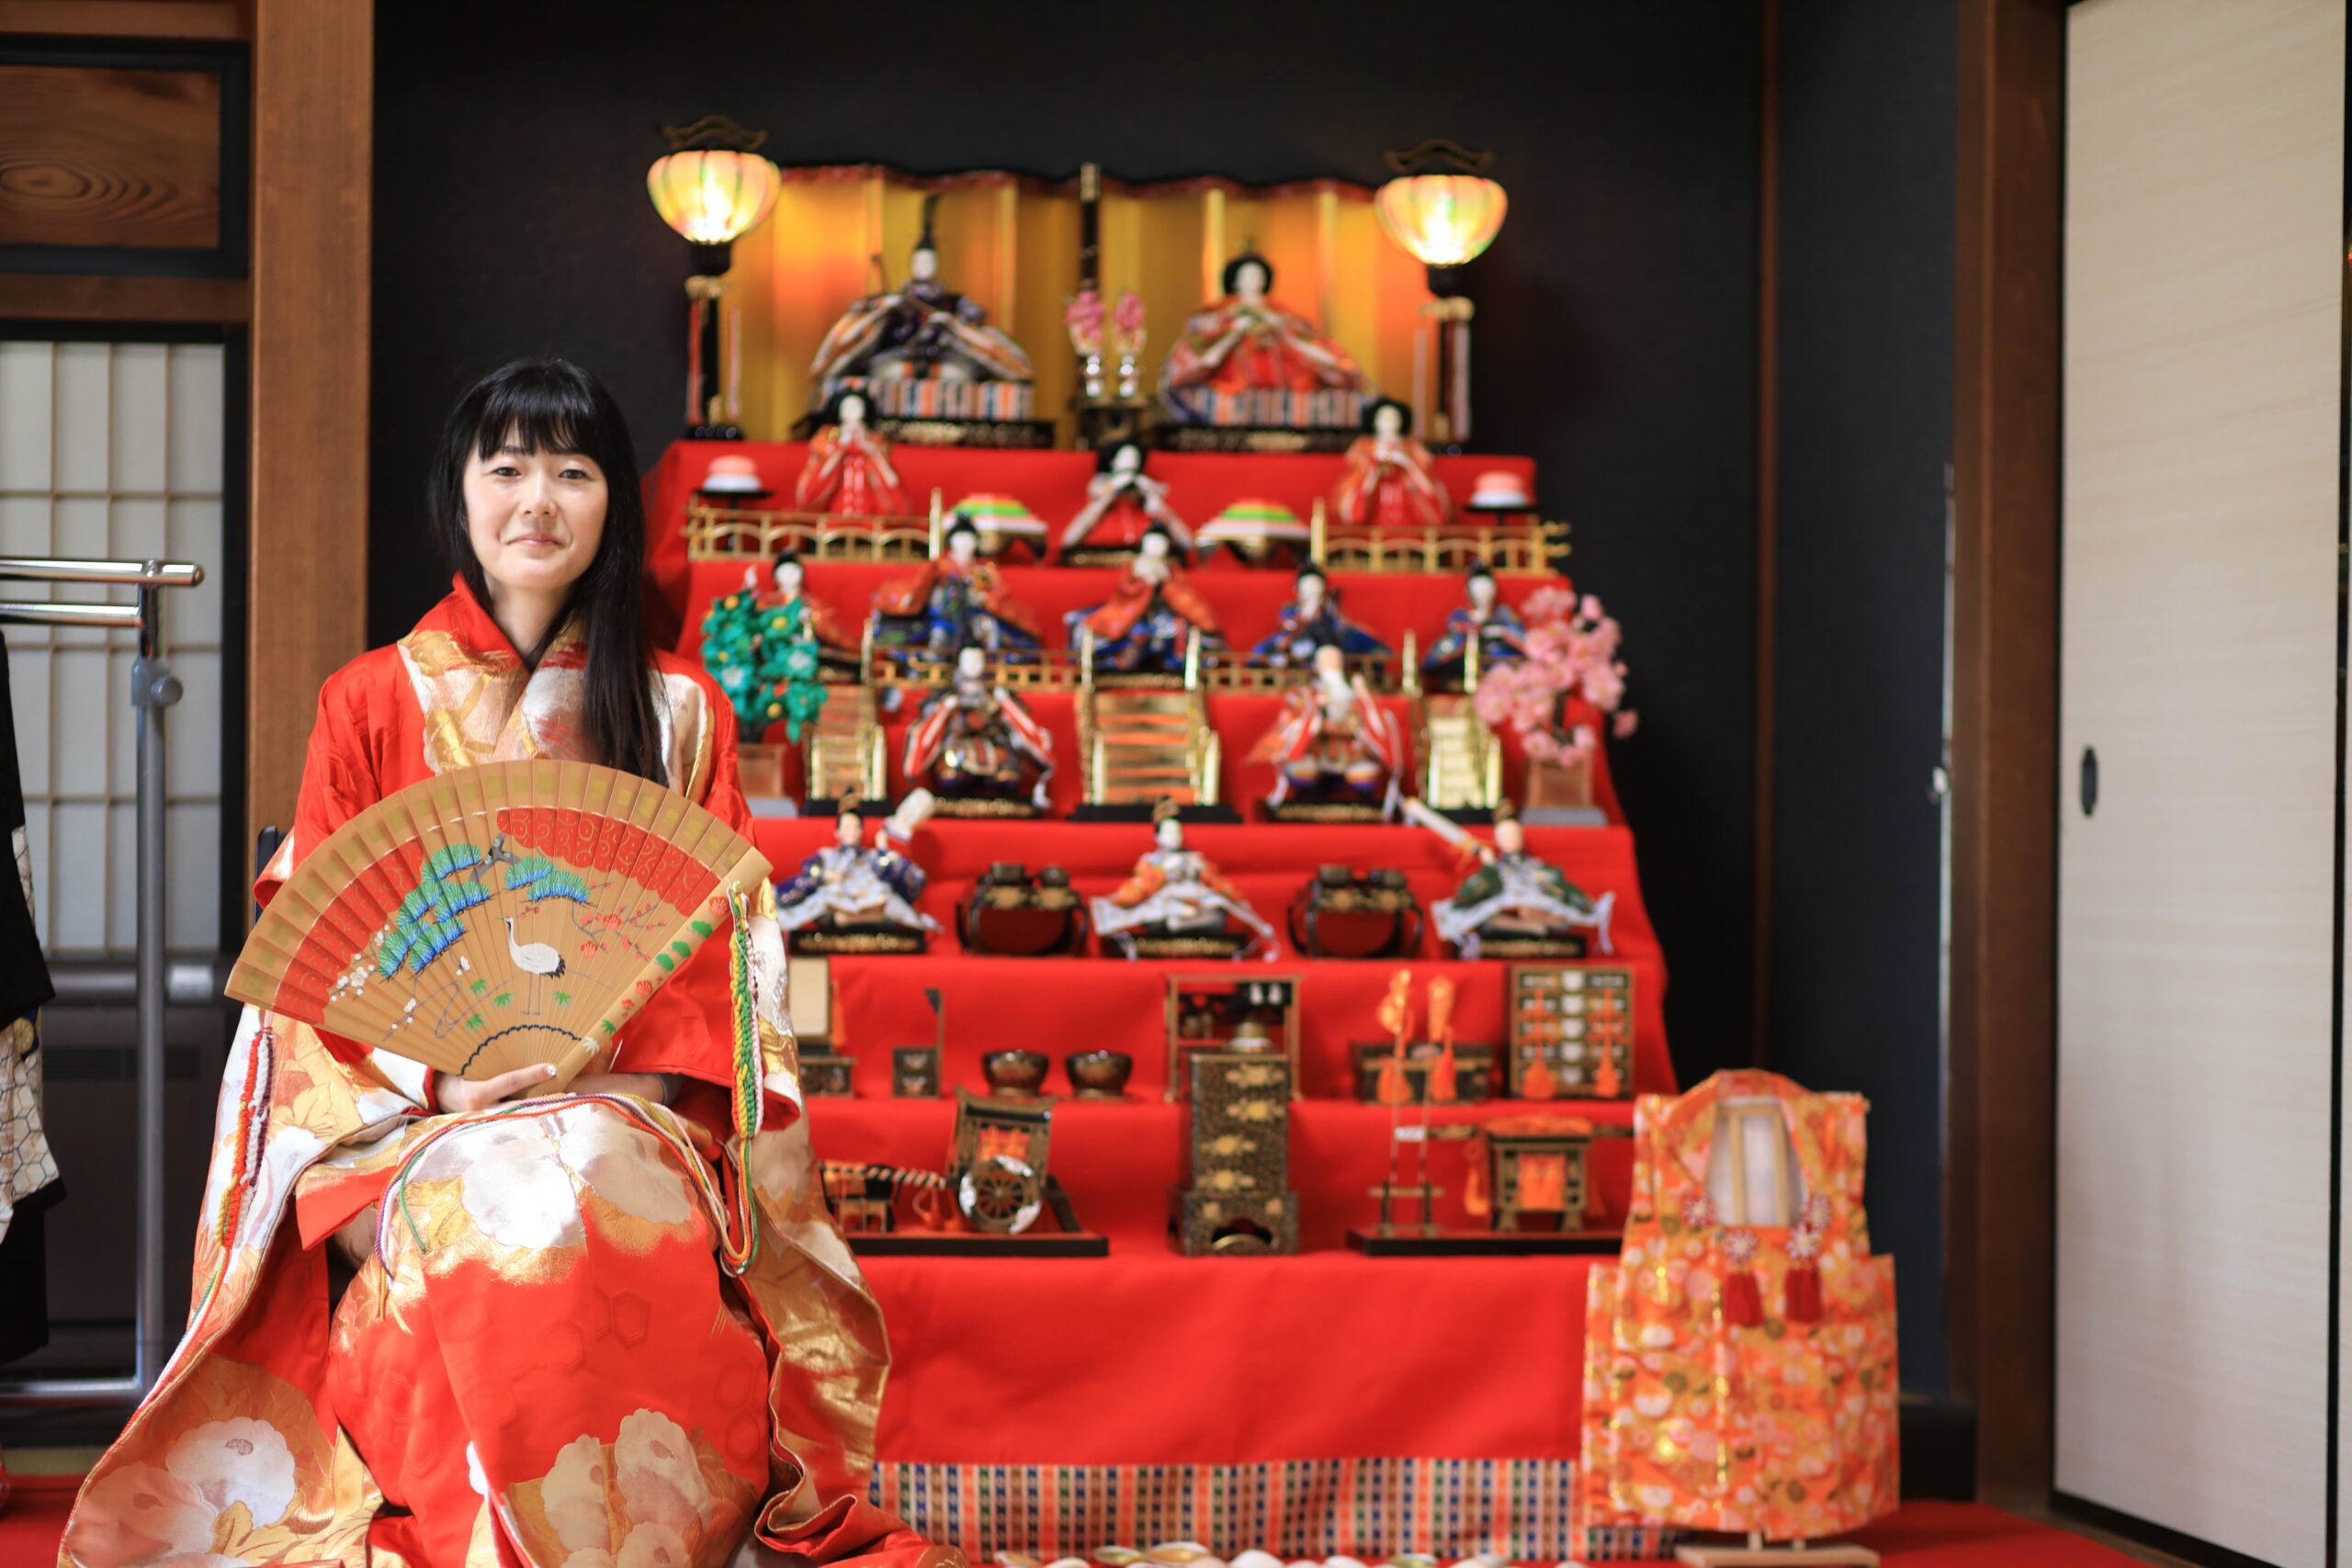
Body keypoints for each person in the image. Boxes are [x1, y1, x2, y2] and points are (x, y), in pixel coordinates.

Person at [59, 360, 954, 1568]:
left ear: (610, 509)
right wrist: (447, 1086)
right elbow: (316, 973)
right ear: (461, 495)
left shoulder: (679, 711)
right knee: (489, 1209)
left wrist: (610, 1090)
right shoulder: (369, 701)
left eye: (574, 471)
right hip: (406, 1117)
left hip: (633, 1108)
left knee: (582, 1172)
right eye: (509, 466)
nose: (540, 496)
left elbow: (723, 957)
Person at [1159, 250, 1374, 412]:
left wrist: (1281, 331)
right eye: (1248, 275)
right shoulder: (1217, 315)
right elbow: (1204, 347)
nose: (1254, 280)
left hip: (1287, 373)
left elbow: (1305, 339)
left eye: (1258, 274)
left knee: (1327, 360)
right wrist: (1236, 330)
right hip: (1231, 376)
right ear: (1235, 280)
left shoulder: (1281, 314)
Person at [1091, 798, 1276, 960]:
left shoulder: (1195, 858)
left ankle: (1180, 924)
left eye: (1178, 832)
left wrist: (1200, 872)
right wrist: (1162, 873)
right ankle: (1174, 922)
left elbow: (1219, 885)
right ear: (1158, 836)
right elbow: (1136, 889)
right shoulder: (1152, 861)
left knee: (1218, 915)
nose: (1175, 837)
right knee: (1152, 916)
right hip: (1164, 902)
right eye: (1169, 832)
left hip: (1195, 902)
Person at [1432, 801, 1616, 958]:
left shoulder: (1536, 867)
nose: (1511, 839)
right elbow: (1466, 895)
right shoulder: (1495, 868)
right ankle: (1534, 928)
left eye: (1514, 835)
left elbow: (1562, 888)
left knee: (1555, 915)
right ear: (1497, 839)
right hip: (1506, 910)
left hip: (1535, 907)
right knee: (1491, 918)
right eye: (1505, 835)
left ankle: (1540, 925)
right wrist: (1488, 868)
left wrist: (1583, 902)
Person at [1247, 643, 1407, 817]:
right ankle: (1305, 802)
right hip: (1316, 751)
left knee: (1365, 773)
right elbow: (1295, 723)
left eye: (1335, 661)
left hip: (1350, 753)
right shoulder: (1307, 693)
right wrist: (1315, 713)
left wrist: (1363, 697)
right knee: (1300, 769)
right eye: (1327, 661)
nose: (1332, 665)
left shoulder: (1353, 693)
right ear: (1317, 665)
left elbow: (1373, 723)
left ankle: (1361, 806)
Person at [870, 513, 1045, 660]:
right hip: (942, 615)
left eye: (969, 538)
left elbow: (999, 594)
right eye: (960, 537)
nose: (965, 543)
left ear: (976, 542)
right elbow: (920, 587)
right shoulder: (939, 567)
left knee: (990, 629)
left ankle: (991, 660)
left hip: (973, 614)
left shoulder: (984, 570)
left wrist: (984, 598)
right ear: (951, 541)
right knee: (936, 632)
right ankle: (934, 658)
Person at [901, 647, 1056, 810]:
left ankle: (1002, 795)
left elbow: (1019, 726)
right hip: (959, 744)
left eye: (977, 660)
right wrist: (947, 708)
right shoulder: (948, 696)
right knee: (951, 769)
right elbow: (930, 729)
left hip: (992, 744)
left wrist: (1002, 704)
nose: (973, 665)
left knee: (1007, 768)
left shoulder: (995, 695)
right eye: (968, 660)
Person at [1069, 523, 1223, 675]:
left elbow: (1184, 595)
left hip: (1162, 613)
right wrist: (1144, 584)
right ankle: (1117, 663)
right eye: (1152, 542)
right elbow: (1125, 591)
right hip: (1134, 616)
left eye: (1161, 542)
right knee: (1133, 633)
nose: (1156, 547)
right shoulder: (1134, 567)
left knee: (1178, 629)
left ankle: (1176, 665)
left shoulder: (1170, 569)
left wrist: (1166, 584)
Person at [1333, 398, 1454, 530]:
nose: (1390, 422)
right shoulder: (1364, 448)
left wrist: (1406, 463)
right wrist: (1374, 466)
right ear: (1375, 422)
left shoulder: (1412, 448)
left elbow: (1429, 491)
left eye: (1394, 417)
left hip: (1408, 523)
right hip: (1373, 525)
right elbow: (1354, 505)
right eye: (1384, 417)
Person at [1058, 442, 1193, 559]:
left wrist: (1155, 501)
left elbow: (1187, 543)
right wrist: (1108, 494)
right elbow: (1068, 542)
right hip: (1098, 558)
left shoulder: (1151, 508)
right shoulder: (1100, 502)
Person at [1247, 561, 1388, 668]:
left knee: (1356, 643)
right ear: (1297, 590)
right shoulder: (1290, 612)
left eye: (1316, 588)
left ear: (1324, 590)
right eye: (1307, 589)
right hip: (1296, 644)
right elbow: (1287, 628)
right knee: (1268, 651)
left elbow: (1339, 629)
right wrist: (1304, 619)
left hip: (1328, 646)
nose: (1312, 592)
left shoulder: (1330, 613)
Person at [795, 389, 912, 517]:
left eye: (857, 406)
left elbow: (892, 484)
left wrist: (870, 451)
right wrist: (839, 449)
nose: (853, 411)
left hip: (870, 520)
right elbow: (810, 492)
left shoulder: (875, 442)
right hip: (834, 519)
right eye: (847, 407)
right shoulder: (826, 440)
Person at [1421, 560, 1528, 689]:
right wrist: (1469, 629)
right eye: (1477, 587)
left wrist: (1500, 631)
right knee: (1448, 657)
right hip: (1464, 660)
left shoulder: (1503, 613)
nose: (1482, 593)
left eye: (1487, 587)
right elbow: (1452, 632)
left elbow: (1521, 639)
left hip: (1497, 659)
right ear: (1468, 590)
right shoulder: (1460, 616)